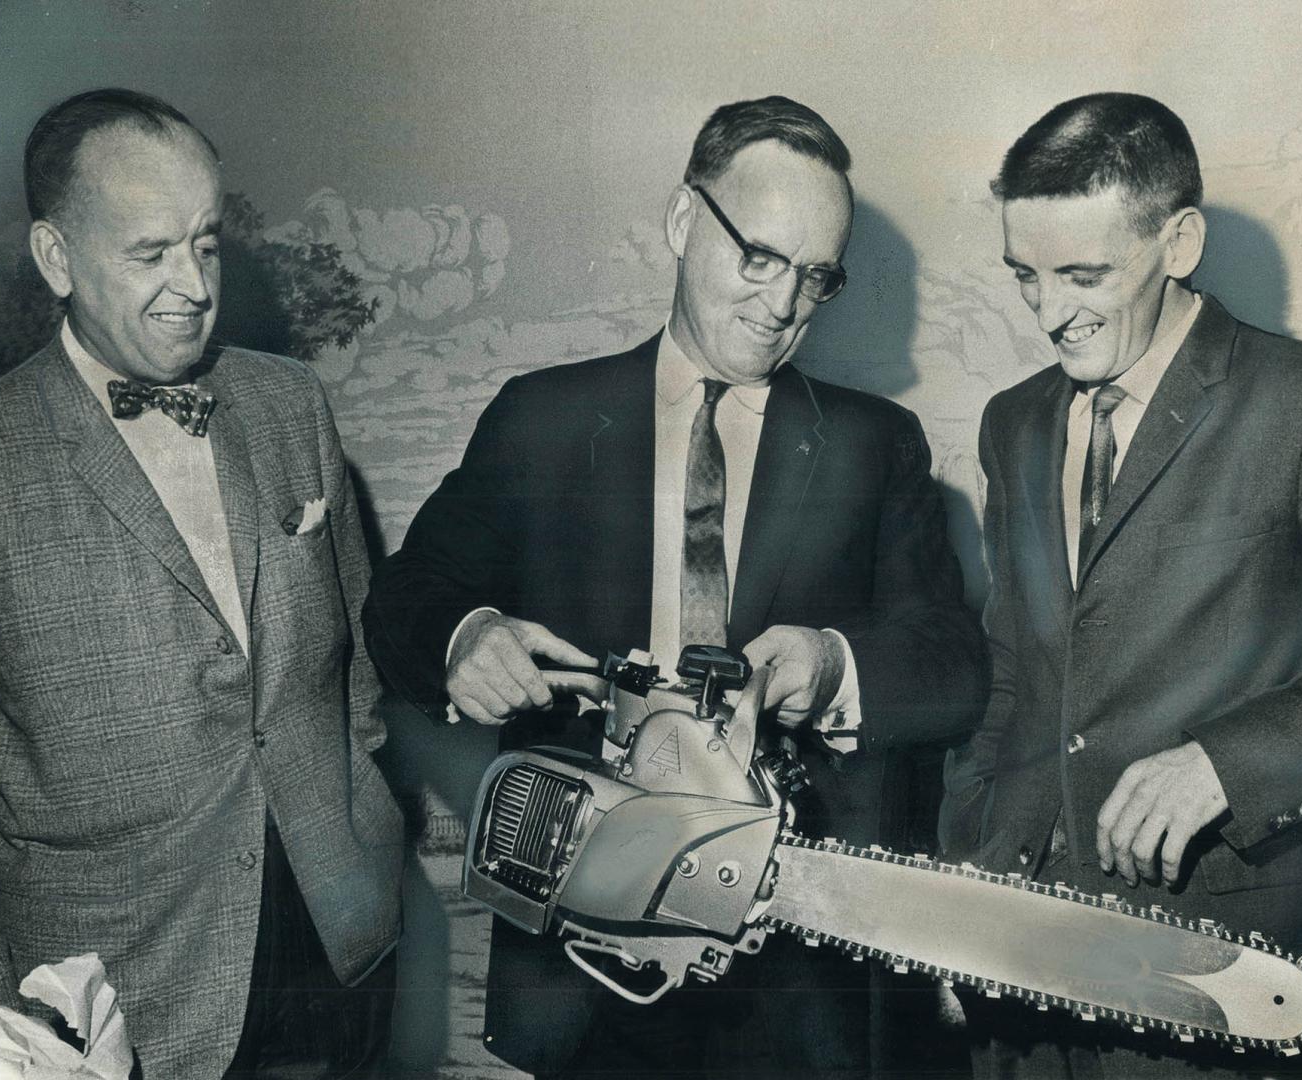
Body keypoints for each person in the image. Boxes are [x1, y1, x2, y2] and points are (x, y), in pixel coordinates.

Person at [364, 95, 987, 1078]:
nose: (781, 305)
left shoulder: (876, 446)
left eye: (814, 277)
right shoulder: (540, 420)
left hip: (804, 990)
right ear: (681, 220)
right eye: (758, 257)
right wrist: (463, 634)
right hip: (589, 973)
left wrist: (832, 667)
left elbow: (954, 669)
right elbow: (403, 599)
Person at [939, 91, 1302, 1077]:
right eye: (1023, 277)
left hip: (1226, 979)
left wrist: (1226, 766)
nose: (1048, 312)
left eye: (1082, 275)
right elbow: (1010, 677)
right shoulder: (1011, 423)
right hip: (1020, 980)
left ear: (1179, 241)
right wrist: (959, 896)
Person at [0, 88, 403, 1079]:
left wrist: (364, 811)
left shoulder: (290, 403)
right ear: (55, 258)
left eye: (206, 245)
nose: (194, 285)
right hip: (119, 1003)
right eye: (150, 253)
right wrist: (4, 1035)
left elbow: (356, 664)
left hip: (336, 945)